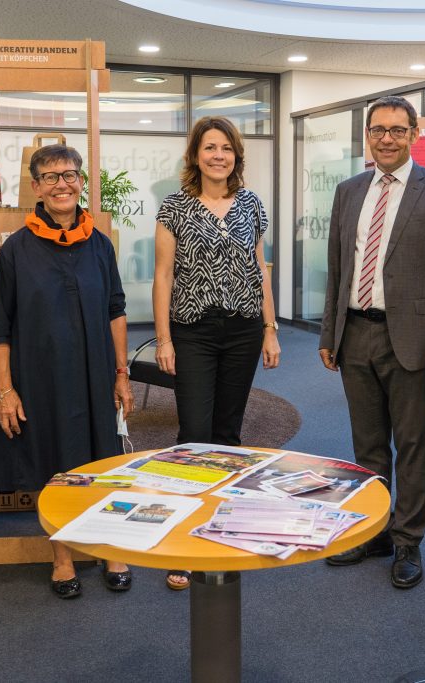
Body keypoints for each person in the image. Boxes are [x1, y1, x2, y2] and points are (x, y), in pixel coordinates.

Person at [319, 95, 425, 589]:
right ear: (368, 135)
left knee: (410, 444)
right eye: (379, 130)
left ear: (414, 134)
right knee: (366, 447)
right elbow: (337, 270)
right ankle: (374, 530)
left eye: (397, 130)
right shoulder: (348, 191)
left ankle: (408, 541)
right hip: (356, 334)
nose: (387, 138)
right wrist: (329, 333)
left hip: (413, 341)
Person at [0, 144, 134, 599]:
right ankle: (62, 556)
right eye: (50, 177)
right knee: (51, 468)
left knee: (102, 463)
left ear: (82, 181)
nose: (62, 184)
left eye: (69, 175)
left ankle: (109, 548)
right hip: (40, 379)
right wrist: (6, 391)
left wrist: (122, 373)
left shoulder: (100, 244)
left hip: (94, 376)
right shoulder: (16, 249)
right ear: (36, 188)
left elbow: (116, 310)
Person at [153, 116, 280, 589]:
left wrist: (270, 330)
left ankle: (223, 528)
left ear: (236, 155)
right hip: (194, 332)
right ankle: (184, 541)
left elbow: (260, 270)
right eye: (210, 147)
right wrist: (164, 340)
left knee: (229, 432)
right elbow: (163, 276)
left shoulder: (251, 205)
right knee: (193, 433)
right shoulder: (175, 207)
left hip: (245, 329)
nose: (218, 155)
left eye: (226, 148)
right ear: (196, 155)